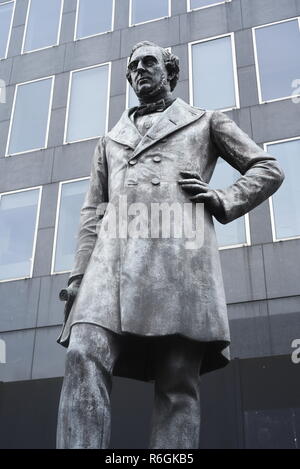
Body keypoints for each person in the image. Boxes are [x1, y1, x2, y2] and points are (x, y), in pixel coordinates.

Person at [56, 41, 284, 449]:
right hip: (111, 263)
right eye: (133, 67)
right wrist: (77, 277)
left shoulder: (206, 122)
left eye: (149, 62)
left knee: (178, 381)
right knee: (84, 351)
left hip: (180, 261)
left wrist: (222, 198)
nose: (140, 70)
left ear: (170, 72)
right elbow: (93, 211)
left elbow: (267, 168)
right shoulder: (110, 140)